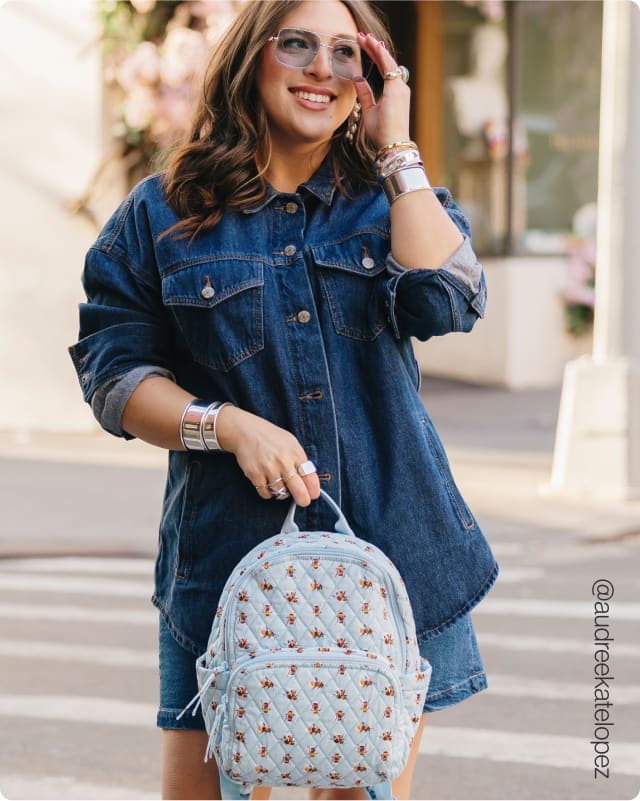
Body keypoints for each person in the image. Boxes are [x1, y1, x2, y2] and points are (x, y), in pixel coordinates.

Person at [69, 2, 498, 799]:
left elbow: (447, 300)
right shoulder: (163, 213)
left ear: (369, 79)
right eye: (297, 44)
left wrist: (397, 146)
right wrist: (226, 426)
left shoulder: (391, 201)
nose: (322, 69)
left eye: (346, 53)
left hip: (393, 562)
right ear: (251, 57)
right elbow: (114, 375)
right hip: (228, 568)